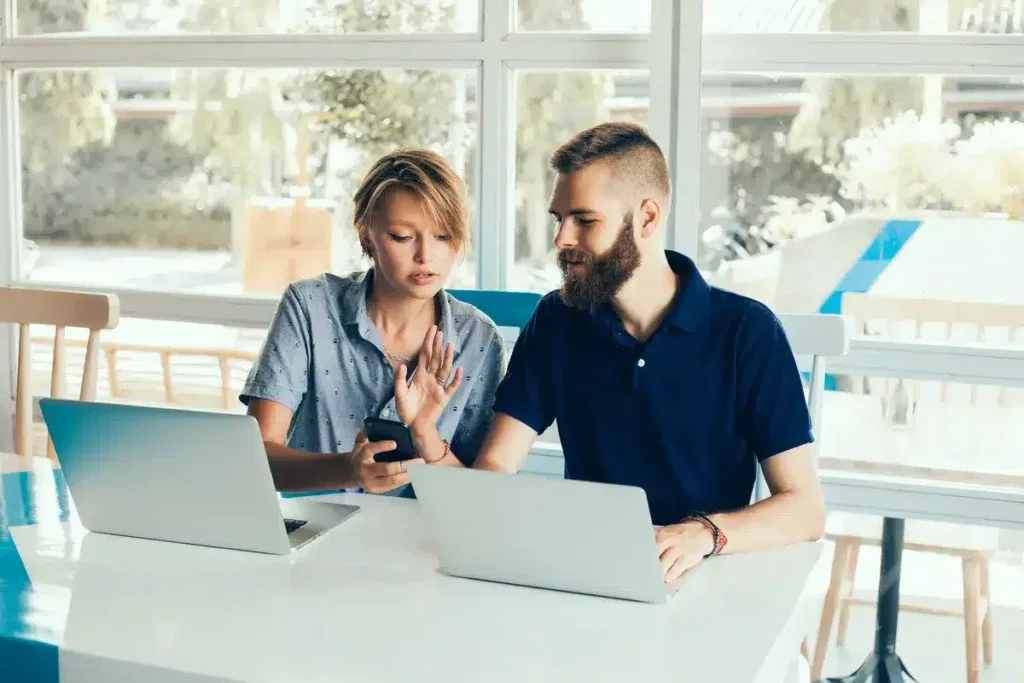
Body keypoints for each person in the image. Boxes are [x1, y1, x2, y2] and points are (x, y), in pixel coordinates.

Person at [411, 122, 826, 583]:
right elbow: (493, 475)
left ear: (647, 218)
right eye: (558, 218)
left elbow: (805, 510)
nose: (562, 239)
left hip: (705, 576)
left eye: (584, 220)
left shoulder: (748, 332)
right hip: (587, 574)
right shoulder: (557, 320)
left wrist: (703, 534)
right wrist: (427, 435)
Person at [240, 148, 505, 497]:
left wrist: (425, 435)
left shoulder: (480, 339)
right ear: (367, 235)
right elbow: (255, 457)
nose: (426, 256)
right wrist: (348, 469)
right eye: (402, 236)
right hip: (316, 532)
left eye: (443, 236)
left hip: (423, 542)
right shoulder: (309, 306)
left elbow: (480, 497)